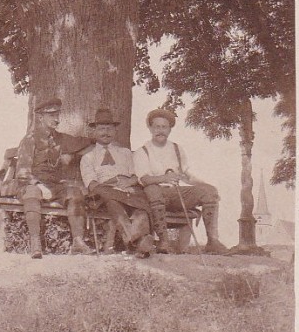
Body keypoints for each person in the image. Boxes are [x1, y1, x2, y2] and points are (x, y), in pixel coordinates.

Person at [133, 108, 228, 255]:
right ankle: (163, 241)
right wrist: (164, 178)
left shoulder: (177, 149)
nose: (160, 130)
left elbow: (186, 176)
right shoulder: (142, 151)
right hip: (156, 195)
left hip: (177, 193)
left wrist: (206, 185)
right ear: (150, 128)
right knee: (153, 189)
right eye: (157, 126)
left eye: (164, 127)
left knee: (209, 191)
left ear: (170, 129)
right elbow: (144, 179)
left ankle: (212, 241)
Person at [13, 97, 93, 259]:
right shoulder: (30, 140)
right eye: (51, 115)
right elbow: (22, 172)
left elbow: (86, 142)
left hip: (54, 185)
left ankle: (78, 242)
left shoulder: (61, 138)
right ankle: (35, 244)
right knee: (32, 193)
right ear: (40, 117)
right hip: (31, 183)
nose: (56, 119)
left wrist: (96, 144)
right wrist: (40, 186)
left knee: (75, 193)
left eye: (57, 114)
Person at [80, 108, 154, 257]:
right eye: (101, 129)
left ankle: (138, 243)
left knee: (141, 207)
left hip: (128, 191)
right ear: (94, 132)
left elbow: (136, 177)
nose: (105, 132)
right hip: (104, 194)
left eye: (109, 128)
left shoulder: (126, 153)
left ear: (115, 131)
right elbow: (92, 185)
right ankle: (137, 241)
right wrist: (114, 182)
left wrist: (128, 182)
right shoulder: (88, 157)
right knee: (112, 201)